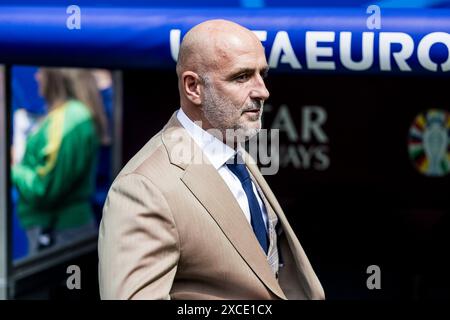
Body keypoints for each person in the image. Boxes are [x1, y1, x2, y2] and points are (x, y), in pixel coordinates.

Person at [98, 19, 325, 300]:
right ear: (193, 87)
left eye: (262, 74)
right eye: (241, 77)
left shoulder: (231, 149)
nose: (262, 91)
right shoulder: (144, 188)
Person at [11, 68, 107, 255]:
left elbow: (45, 189)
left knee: (71, 284)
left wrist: (13, 168)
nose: (36, 76)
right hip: (60, 231)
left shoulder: (69, 120)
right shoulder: (70, 115)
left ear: (56, 77)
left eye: (42, 72)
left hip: (60, 233)